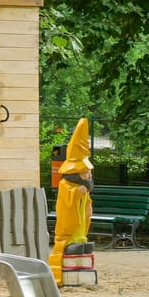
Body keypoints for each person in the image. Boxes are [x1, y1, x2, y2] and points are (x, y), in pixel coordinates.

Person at [48, 119, 94, 286]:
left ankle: (80, 243)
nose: (88, 176)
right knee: (71, 246)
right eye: (84, 173)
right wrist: (75, 192)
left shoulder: (84, 187)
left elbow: (86, 203)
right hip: (68, 229)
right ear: (75, 172)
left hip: (81, 226)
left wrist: (88, 206)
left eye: (89, 173)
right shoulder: (65, 185)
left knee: (82, 246)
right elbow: (65, 203)